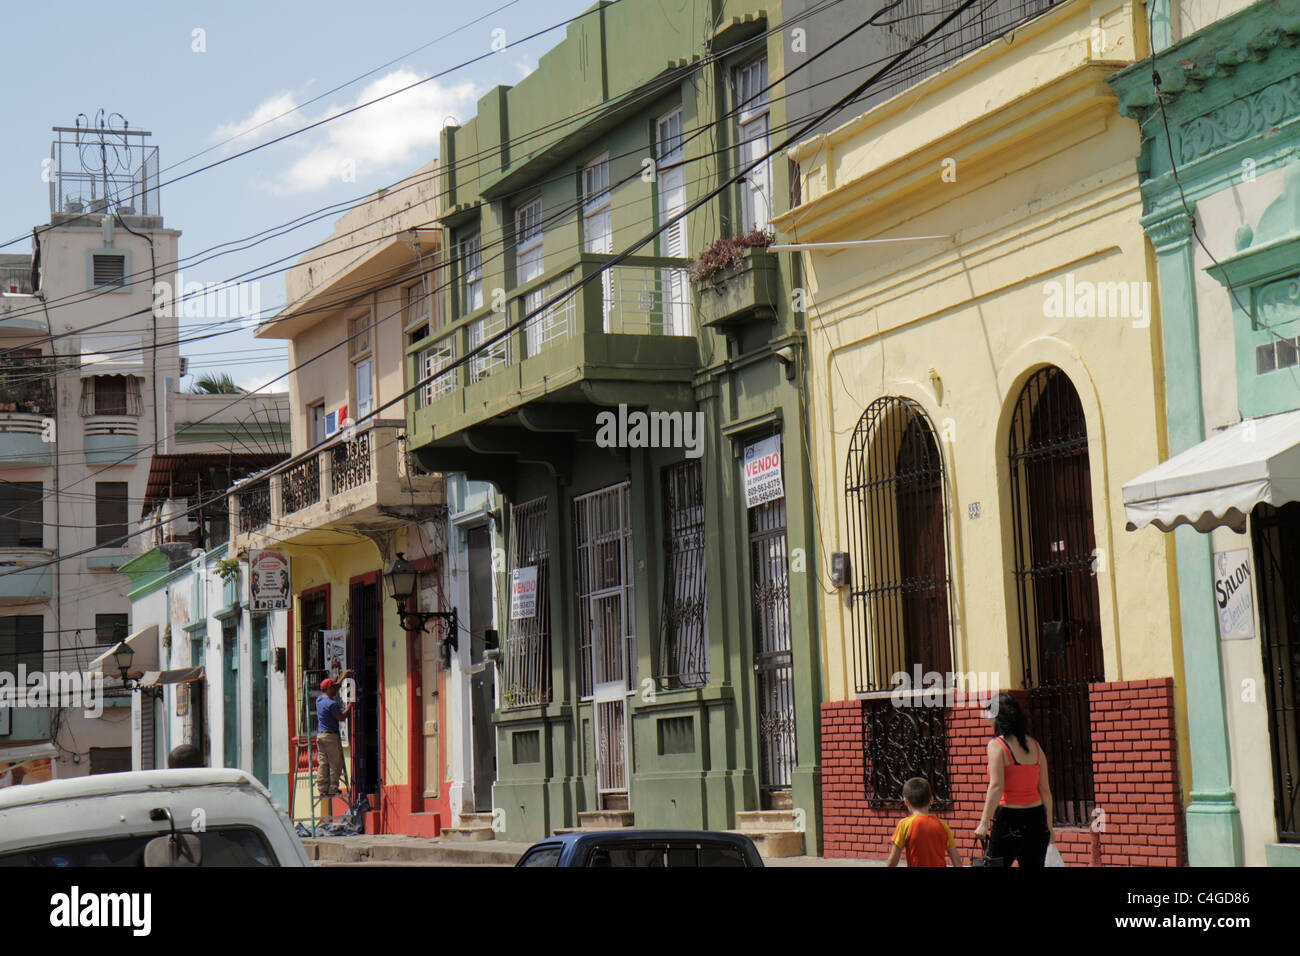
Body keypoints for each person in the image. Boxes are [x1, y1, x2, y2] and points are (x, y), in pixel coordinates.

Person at [973, 693, 1054, 867]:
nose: (987, 718)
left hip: (1009, 819)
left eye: (989, 712)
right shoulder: (1035, 745)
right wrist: (1049, 826)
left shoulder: (997, 745)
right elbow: (1045, 790)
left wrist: (983, 823)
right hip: (1037, 818)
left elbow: (996, 786)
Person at [886, 777, 962, 868]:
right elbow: (956, 859)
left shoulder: (904, 824)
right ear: (931, 800)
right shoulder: (942, 825)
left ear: (906, 802)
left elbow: (893, 860)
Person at [316, 670, 354, 801]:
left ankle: (322, 789)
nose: (335, 690)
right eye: (333, 687)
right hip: (331, 737)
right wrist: (351, 705)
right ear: (329, 688)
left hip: (320, 736)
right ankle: (332, 789)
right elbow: (341, 717)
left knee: (323, 763)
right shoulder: (331, 704)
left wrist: (344, 676)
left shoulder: (319, 700)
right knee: (335, 763)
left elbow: (336, 686)